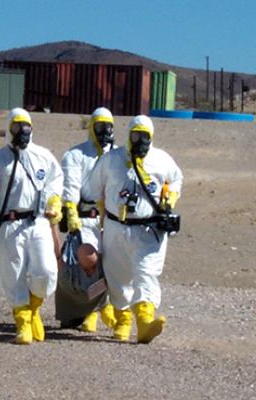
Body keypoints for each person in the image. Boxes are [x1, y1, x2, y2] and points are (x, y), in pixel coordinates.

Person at [0, 107, 63, 345]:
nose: (21, 131)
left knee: (47, 272)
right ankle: (22, 322)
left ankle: (34, 308)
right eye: (16, 127)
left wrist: (54, 200)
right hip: (10, 225)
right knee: (14, 275)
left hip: (38, 221)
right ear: (8, 129)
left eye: (26, 126)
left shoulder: (43, 156)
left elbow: (55, 179)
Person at [88, 115, 183, 344]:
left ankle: (145, 322)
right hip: (115, 227)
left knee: (146, 272)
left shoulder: (162, 160)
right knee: (117, 276)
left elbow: (177, 179)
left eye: (145, 136)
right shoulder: (111, 159)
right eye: (136, 135)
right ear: (128, 135)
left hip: (148, 229)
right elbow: (94, 187)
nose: (140, 140)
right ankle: (123, 320)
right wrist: (102, 210)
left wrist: (171, 195)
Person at [57, 107, 117, 332]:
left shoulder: (118, 155)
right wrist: (70, 209)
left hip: (112, 218)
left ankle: (104, 308)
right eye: (100, 126)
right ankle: (91, 310)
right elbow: (70, 183)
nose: (105, 131)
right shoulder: (76, 155)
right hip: (86, 218)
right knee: (89, 265)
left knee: (112, 265)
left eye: (109, 126)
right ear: (92, 127)